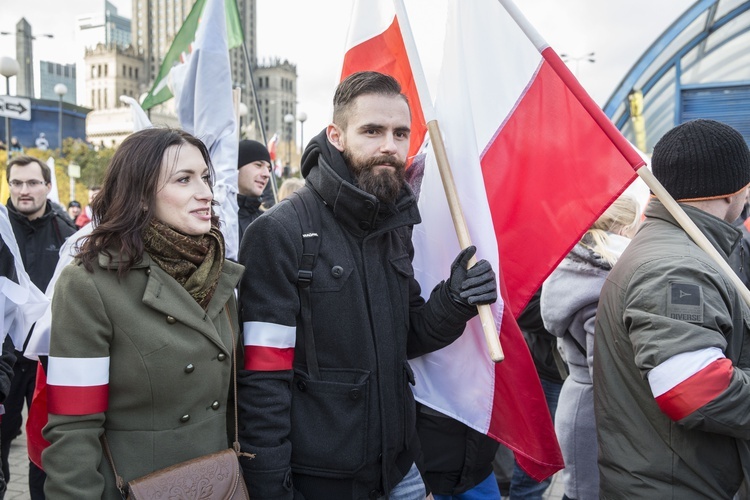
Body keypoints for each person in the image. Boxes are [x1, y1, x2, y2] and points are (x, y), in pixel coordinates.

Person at [237, 71, 497, 500]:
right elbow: (263, 381)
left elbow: (407, 336)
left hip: (399, 470)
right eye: (372, 130)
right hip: (320, 481)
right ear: (336, 135)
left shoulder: (394, 223)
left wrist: (454, 299)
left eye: (400, 133)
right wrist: (271, 489)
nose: (389, 146)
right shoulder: (280, 232)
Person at [41, 128, 244, 499]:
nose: (206, 193)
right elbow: (73, 425)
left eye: (205, 178)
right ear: (140, 197)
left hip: (219, 483)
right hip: (135, 487)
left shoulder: (219, 273)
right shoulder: (88, 283)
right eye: (184, 179)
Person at [594, 119, 750, 499]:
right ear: (734, 191)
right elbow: (693, 389)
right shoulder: (675, 266)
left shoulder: (692, 248)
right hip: (678, 484)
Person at [541, 195, 640, 500]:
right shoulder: (602, 285)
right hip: (594, 413)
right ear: (623, 230)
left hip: (582, 401)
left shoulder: (575, 271)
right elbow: (606, 375)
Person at [4, 155, 77, 498]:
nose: (23, 190)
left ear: (48, 187)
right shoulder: (1, 229)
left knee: (45, 448)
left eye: (32, 182)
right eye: (16, 182)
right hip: (5, 355)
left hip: (49, 358)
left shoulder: (68, 232)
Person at [237, 139, 271, 241]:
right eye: (258, 165)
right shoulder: (216, 218)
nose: (267, 174)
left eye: (269, 169)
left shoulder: (269, 221)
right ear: (237, 168)